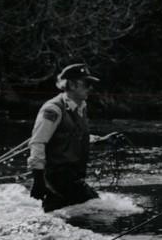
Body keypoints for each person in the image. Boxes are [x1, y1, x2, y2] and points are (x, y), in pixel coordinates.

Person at [28, 63, 117, 212]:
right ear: (72, 85)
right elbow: (37, 143)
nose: (90, 88)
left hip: (72, 175)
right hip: (57, 177)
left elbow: (75, 136)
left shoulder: (81, 106)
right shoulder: (52, 109)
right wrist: (38, 181)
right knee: (97, 209)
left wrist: (101, 141)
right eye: (87, 84)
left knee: (59, 214)